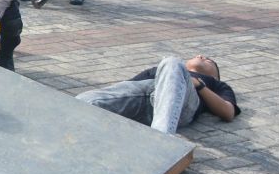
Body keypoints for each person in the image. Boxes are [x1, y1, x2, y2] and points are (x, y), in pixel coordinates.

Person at [77, 55, 238, 135]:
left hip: (182, 102)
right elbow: (125, 87)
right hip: (145, 95)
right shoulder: (160, 70)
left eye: (209, 61)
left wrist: (200, 85)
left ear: (215, 75)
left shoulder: (215, 84)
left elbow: (228, 112)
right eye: (197, 56)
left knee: (172, 61)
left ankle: (161, 138)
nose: (201, 56)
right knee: (83, 101)